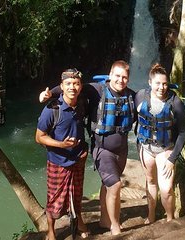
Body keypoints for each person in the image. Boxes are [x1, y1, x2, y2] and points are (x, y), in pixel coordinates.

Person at [39, 60, 136, 235]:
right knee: (55, 198)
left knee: (82, 193)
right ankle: (113, 225)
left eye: (124, 77)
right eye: (117, 76)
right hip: (86, 152)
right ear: (110, 75)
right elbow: (68, 85)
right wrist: (49, 94)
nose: (120, 80)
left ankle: (99, 221)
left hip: (88, 155)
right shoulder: (95, 90)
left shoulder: (129, 95)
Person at [35, 68, 90, 240]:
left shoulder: (82, 103)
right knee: (54, 199)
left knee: (77, 194)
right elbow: (39, 137)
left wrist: (84, 150)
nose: (72, 87)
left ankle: (79, 220)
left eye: (76, 83)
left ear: (81, 86)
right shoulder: (52, 109)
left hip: (77, 160)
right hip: (58, 161)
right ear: (62, 86)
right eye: (68, 84)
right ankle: (51, 230)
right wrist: (61, 144)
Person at [134, 63, 185, 223]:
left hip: (166, 149)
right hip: (146, 148)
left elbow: (184, 132)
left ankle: (170, 219)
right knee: (150, 182)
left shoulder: (176, 103)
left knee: (166, 189)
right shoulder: (140, 96)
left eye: (164, 83)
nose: (161, 87)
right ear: (150, 83)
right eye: (158, 83)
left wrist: (172, 159)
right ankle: (151, 216)